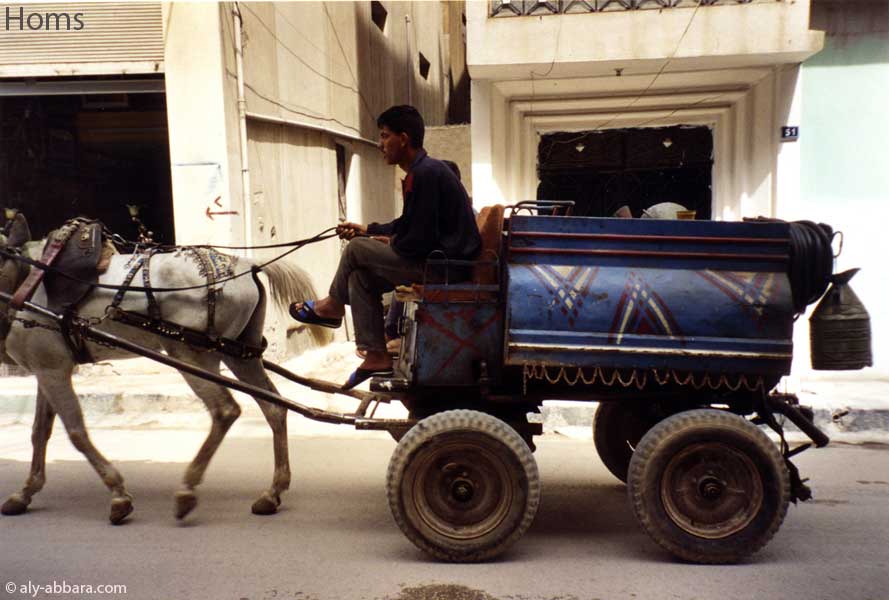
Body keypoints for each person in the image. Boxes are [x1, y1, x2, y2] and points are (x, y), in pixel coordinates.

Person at [291, 105, 481, 389]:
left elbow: (418, 239)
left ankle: (332, 306)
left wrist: (386, 242)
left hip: (443, 268)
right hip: (436, 262)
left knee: (356, 250)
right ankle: (376, 354)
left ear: (403, 139)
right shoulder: (423, 171)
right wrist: (370, 230)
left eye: (384, 136)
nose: (380, 145)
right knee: (360, 277)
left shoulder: (427, 173)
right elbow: (408, 224)